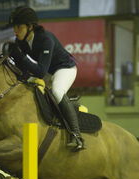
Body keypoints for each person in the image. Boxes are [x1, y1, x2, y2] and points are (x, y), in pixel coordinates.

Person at [6, 6, 83, 151]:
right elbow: (23, 69)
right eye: (13, 27)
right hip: (48, 72)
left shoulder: (46, 39)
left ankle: (76, 135)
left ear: (30, 26)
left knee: (57, 92)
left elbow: (40, 72)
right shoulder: (20, 41)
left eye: (18, 26)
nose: (15, 30)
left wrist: (21, 57)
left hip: (64, 69)